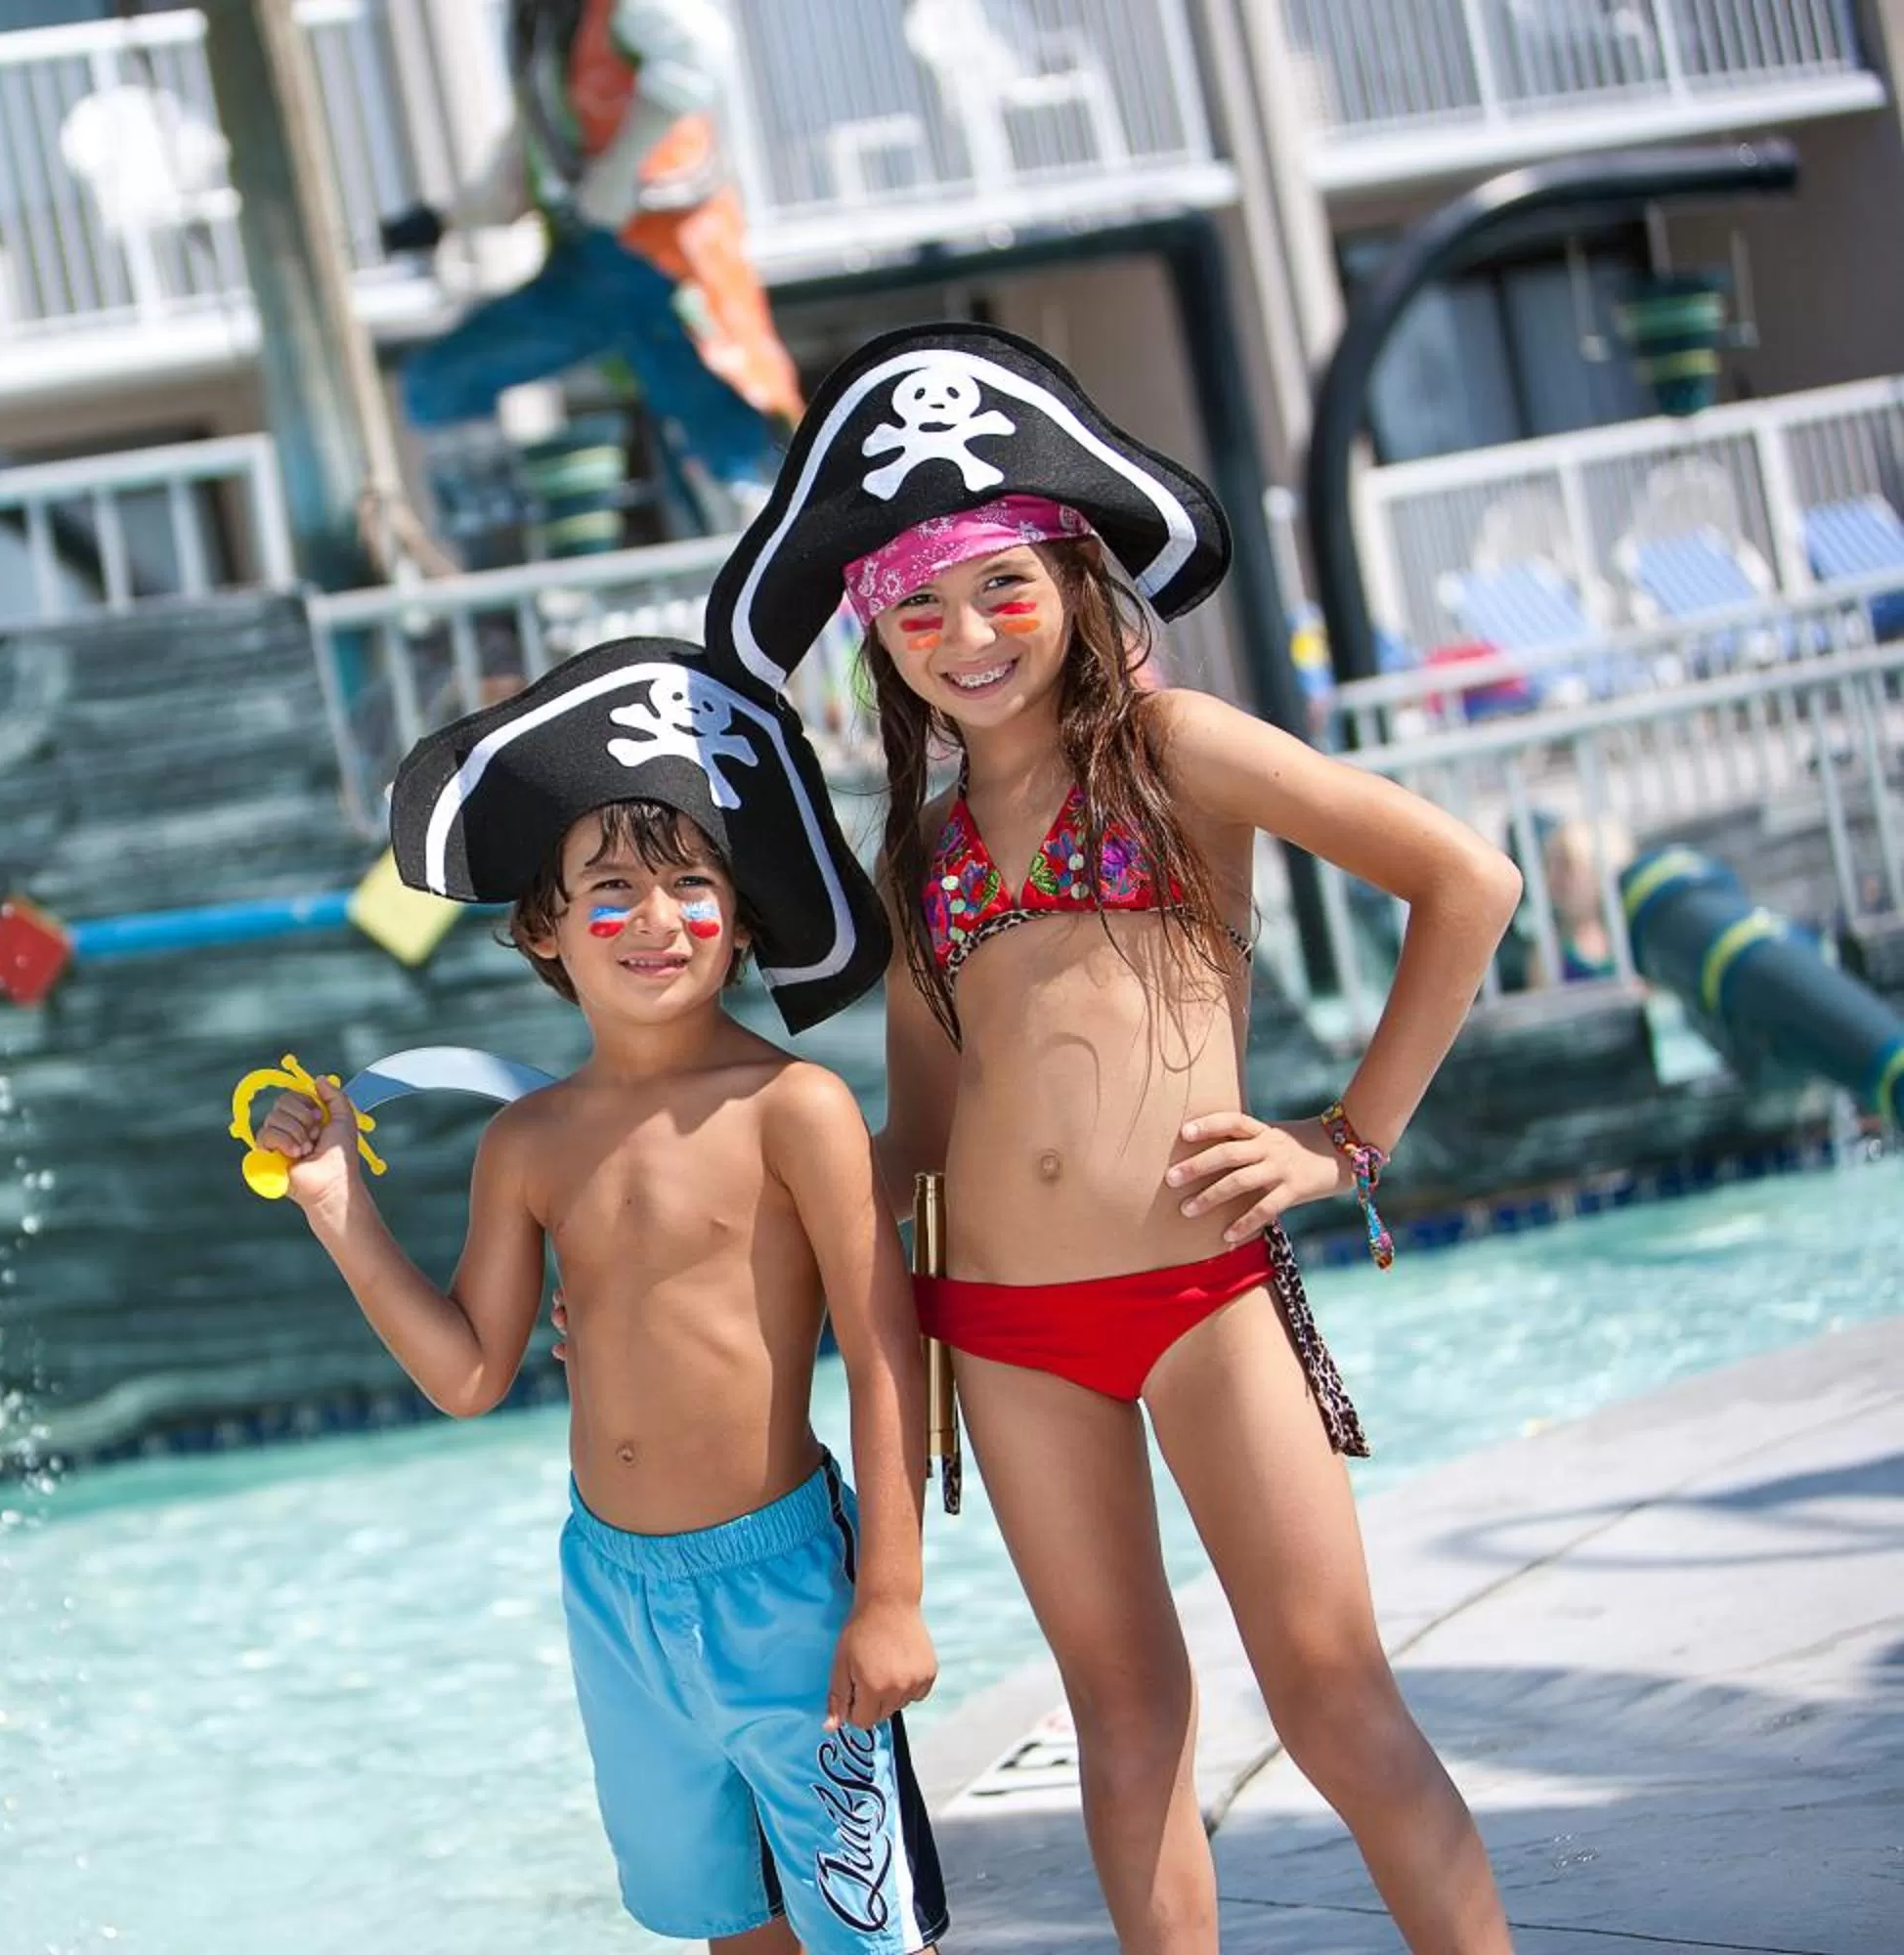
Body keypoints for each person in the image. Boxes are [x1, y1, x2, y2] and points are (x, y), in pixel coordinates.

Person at [706, 324, 1524, 1955]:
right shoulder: (924, 853)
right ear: (878, 640)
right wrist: (737, 1254)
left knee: (1333, 1691)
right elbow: (923, 1134)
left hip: (1204, 1295)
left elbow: (1468, 882)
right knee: (1124, 1714)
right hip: (1006, 1337)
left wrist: (1345, 1142)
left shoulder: (1172, 752)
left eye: (1000, 586)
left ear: (1077, 581)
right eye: (917, 608)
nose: (965, 635)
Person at [252, 635, 949, 1954]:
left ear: (739, 916)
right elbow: (466, 1374)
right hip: (613, 1594)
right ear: (545, 928)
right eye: (611, 888)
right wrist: (340, 1206)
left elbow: (880, 1349)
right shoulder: (530, 1146)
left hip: (785, 1585)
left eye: (692, 884)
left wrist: (893, 1594)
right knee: (723, 1921)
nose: (655, 917)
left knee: (863, 1930)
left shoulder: (790, 1109)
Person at [378, 0, 802, 522]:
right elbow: (527, 153)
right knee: (439, 382)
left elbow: (697, 54)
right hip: (594, 265)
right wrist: (443, 219)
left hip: (668, 258)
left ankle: (770, 535)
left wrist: (624, 168)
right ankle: (496, 528)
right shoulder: (547, 29)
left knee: (730, 446)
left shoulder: (624, 10)